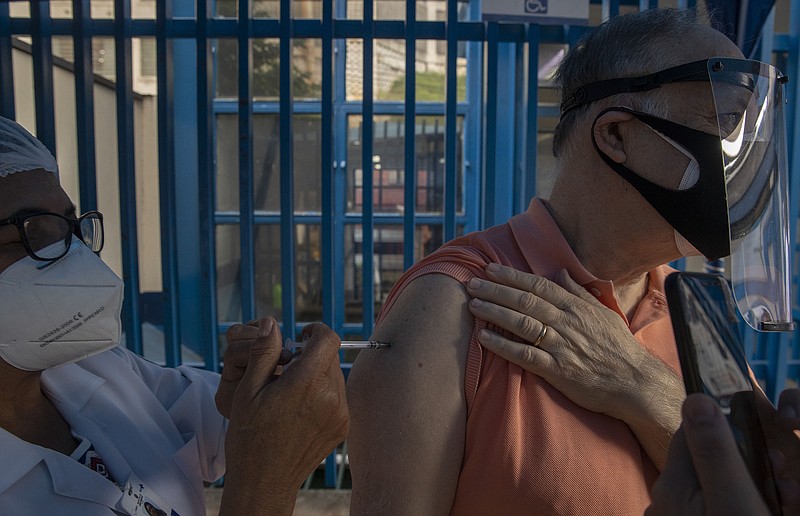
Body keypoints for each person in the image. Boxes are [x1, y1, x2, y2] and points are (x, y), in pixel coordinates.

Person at [347, 7, 794, 515]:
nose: (746, 157)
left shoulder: (693, 314)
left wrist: (642, 386)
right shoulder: (454, 306)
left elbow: (760, 496)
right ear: (617, 136)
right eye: (725, 122)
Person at [0, 116, 348, 515]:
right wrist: (262, 487)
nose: (72, 255)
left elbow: (215, 420)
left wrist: (260, 394)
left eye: (68, 226)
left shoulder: (93, 370)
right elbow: (260, 466)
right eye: (29, 232)